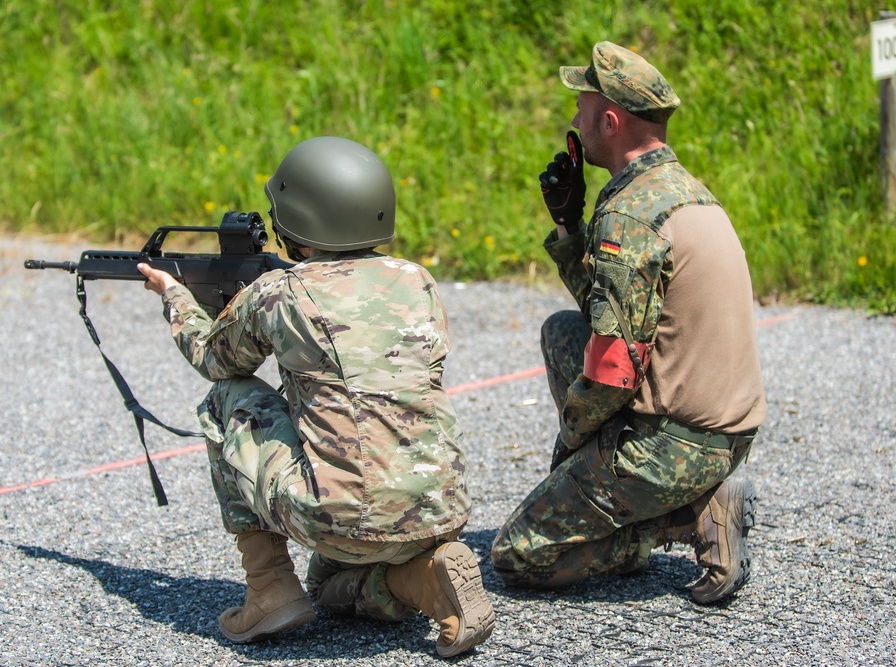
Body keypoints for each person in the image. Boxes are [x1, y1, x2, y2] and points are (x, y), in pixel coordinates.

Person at [137, 136, 494, 657]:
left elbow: (214, 359)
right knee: (329, 586)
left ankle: (269, 589)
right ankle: (425, 577)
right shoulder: (417, 280)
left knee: (227, 398)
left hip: (343, 517)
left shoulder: (278, 294)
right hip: (437, 510)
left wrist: (176, 297)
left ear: (296, 220)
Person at [490, 42, 767, 604]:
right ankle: (679, 498)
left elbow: (615, 366)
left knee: (518, 556)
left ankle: (687, 517)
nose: (573, 120)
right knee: (560, 332)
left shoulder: (630, 214)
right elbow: (608, 314)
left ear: (610, 121)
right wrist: (569, 225)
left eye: (581, 109)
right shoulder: (683, 191)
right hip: (725, 431)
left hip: (675, 445)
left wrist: (570, 440)